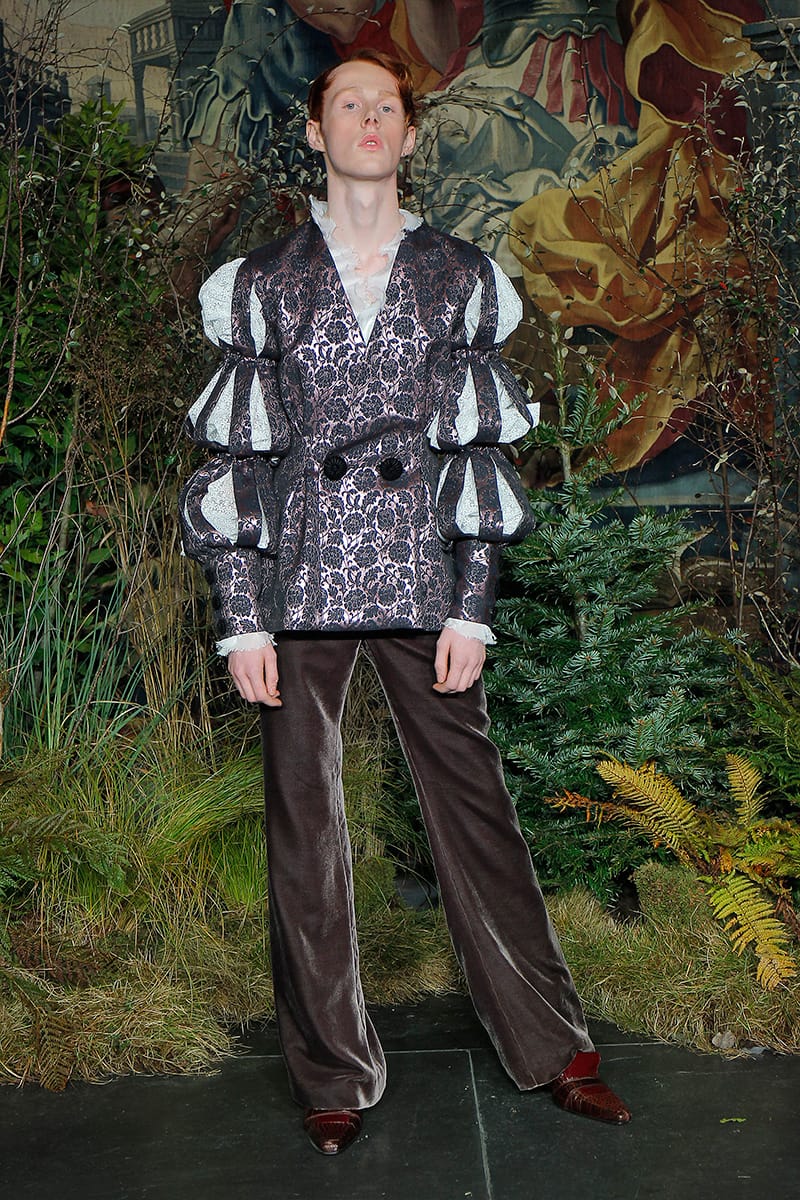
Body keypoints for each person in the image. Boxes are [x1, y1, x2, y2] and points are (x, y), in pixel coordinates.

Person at [179, 49, 631, 1156]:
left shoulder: (460, 274)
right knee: (307, 830)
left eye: (386, 105)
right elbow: (234, 460)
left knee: (476, 812)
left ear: (410, 134)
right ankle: (331, 1072)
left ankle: (555, 1047)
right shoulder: (264, 280)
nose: (369, 119)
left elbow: (474, 450)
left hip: (424, 573)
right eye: (348, 104)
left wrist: (472, 606)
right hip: (301, 579)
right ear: (317, 133)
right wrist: (241, 616)